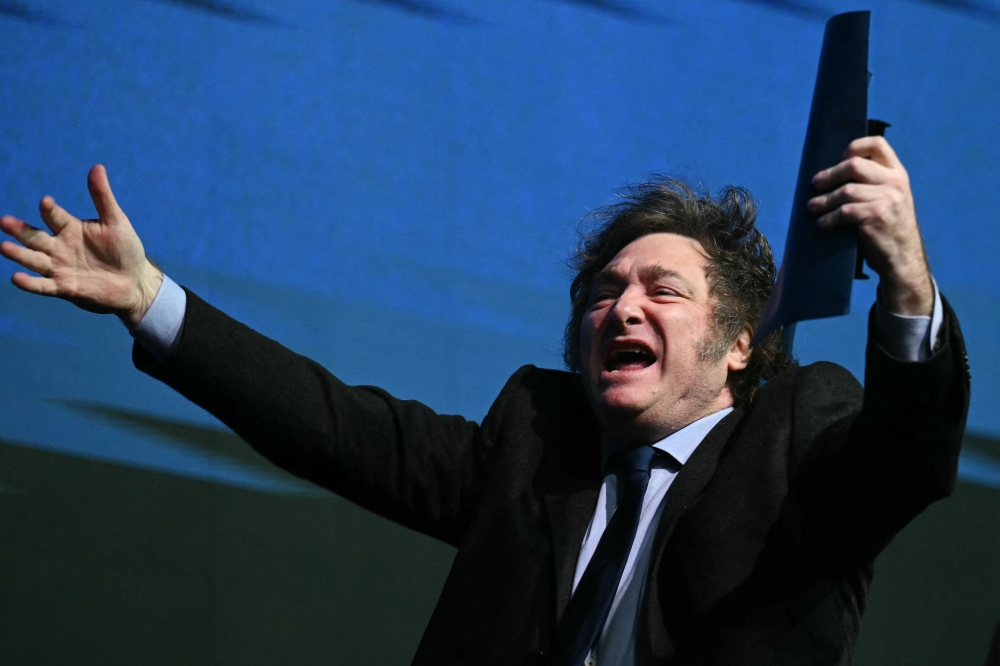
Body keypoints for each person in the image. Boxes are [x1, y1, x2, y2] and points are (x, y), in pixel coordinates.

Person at [0, 137, 969, 665]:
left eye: (660, 290)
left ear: (740, 346)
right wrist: (148, 301)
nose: (620, 306)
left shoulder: (796, 435)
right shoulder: (531, 447)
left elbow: (906, 460)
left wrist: (907, 283)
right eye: (601, 292)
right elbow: (334, 425)